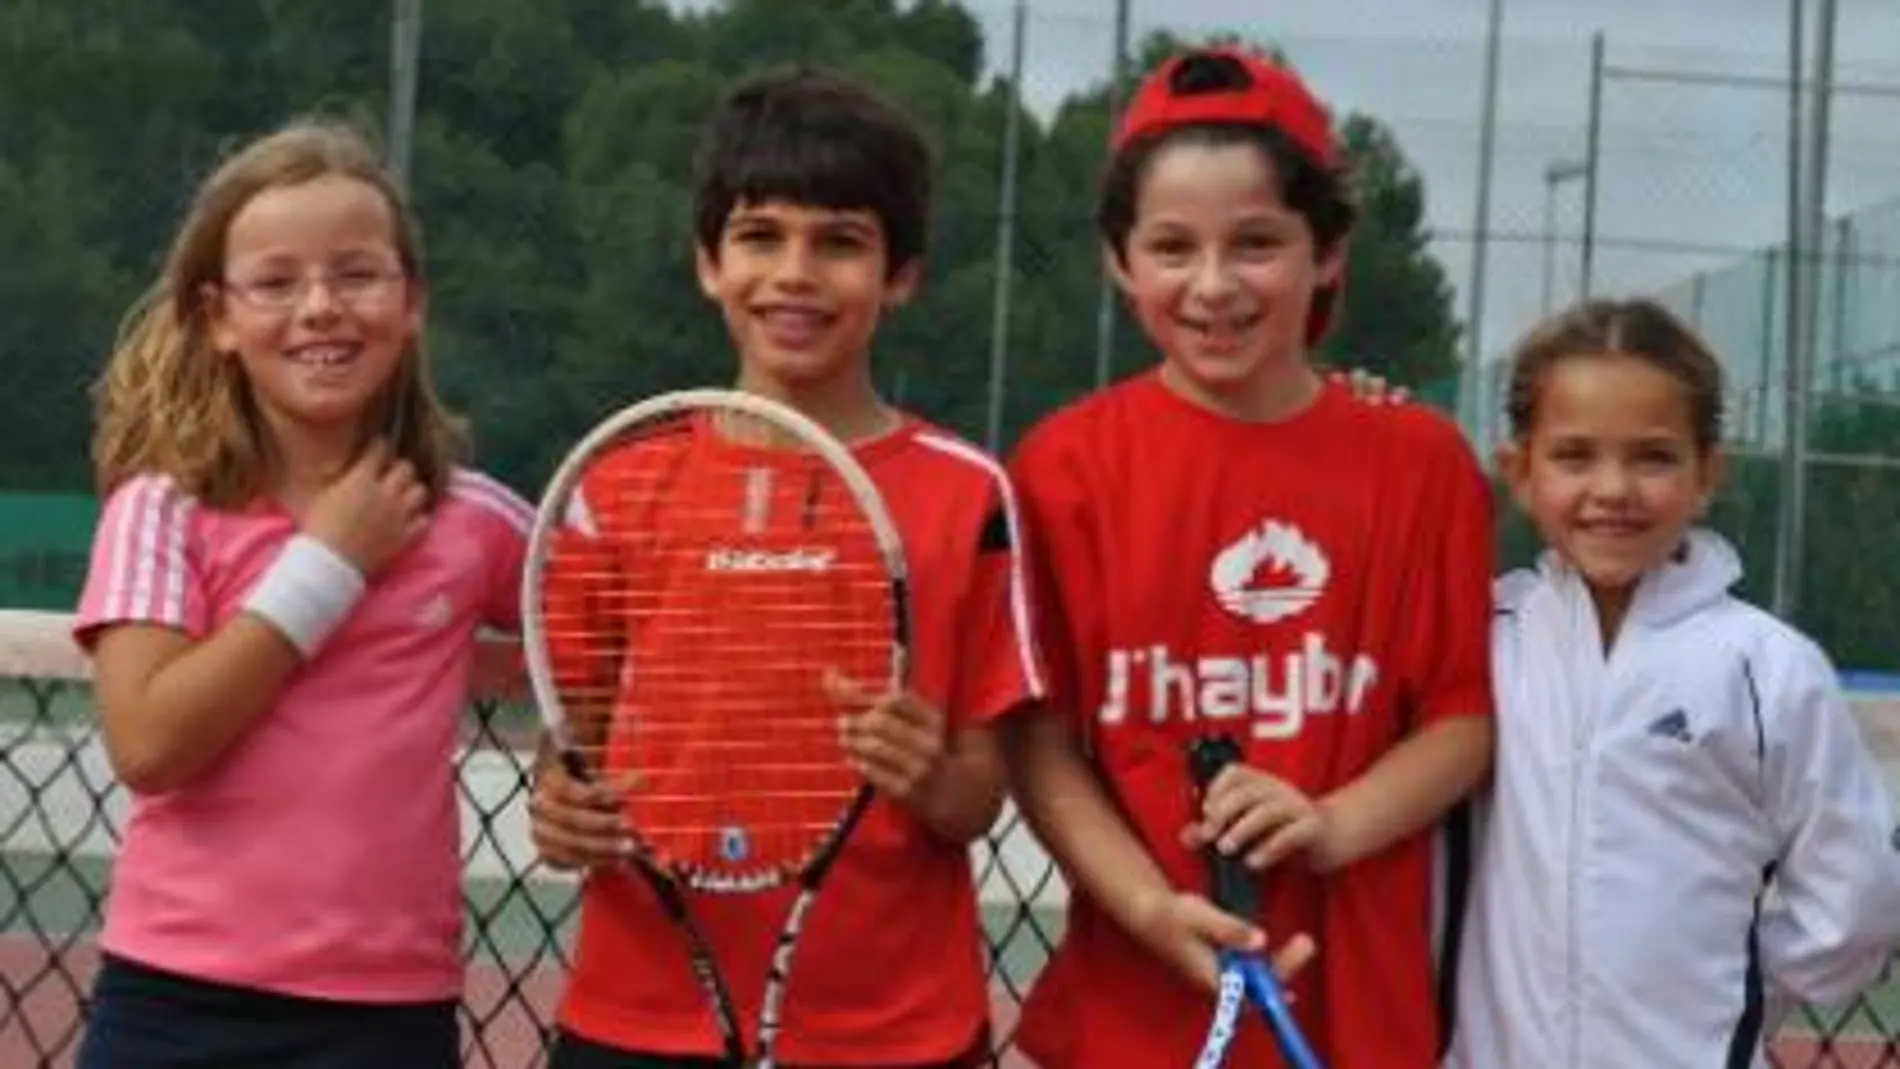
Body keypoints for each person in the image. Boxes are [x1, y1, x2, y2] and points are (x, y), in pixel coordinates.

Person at [525, 68, 1044, 1069]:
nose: (794, 273)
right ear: (709, 263)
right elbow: (571, 745)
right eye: (760, 236)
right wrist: (561, 811)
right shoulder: (619, 484)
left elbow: (976, 797)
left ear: (901, 274)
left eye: (839, 242)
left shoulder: (967, 493)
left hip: (894, 1033)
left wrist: (925, 772)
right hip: (632, 1019)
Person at [1003, 46, 1497, 1068]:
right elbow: (1041, 742)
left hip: (1359, 1014)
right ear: (1118, 257)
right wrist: (1147, 905)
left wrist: (1329, 823)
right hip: (1132, 1010)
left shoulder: (1422, 462)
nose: (1214, 285)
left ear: (1327, 251)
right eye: (1172, 246)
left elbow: (1459, 723)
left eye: (1258, 242)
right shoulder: (1062, 468)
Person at [70, 117, 532, 1069]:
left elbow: (622, 632)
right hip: (173, 1004)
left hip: (389, 1017)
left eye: (358, 274)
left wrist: (578, 754)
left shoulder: (476, 520)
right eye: (276, 283)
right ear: (219, 319)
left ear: (412, 304)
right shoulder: (162, 509)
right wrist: (330, 564)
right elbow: (151, 742)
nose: (321, 306)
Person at [1447, 297, 1900, 1067]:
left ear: (1707, 473)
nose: (1614, 487)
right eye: (1575, 454)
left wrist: (1744, 979)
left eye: (1653, 456)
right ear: (1519, 472)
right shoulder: (1480, 642)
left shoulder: (1767, 668)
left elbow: (1854, 899)